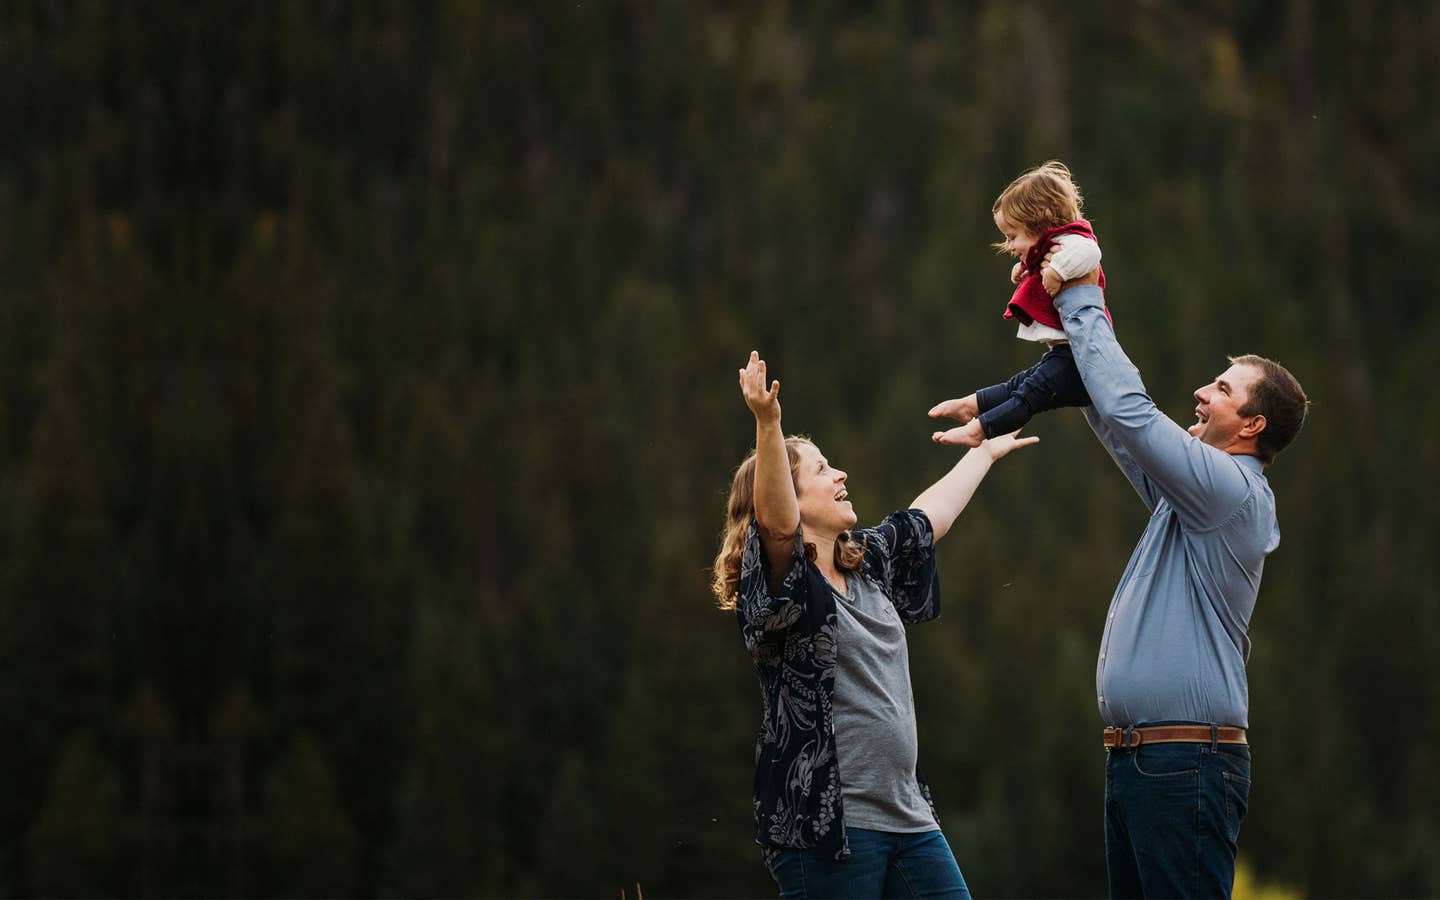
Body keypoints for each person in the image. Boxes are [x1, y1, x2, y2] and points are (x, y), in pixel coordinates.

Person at [933, 262, 1309, 898]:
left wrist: (1081, 293)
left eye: (1222, 388)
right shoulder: (1193, 498)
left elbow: (1131, 413)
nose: (1202, 392)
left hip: (1183, 763)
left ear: (1251, 425)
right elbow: (1111, 415)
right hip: (1148, 762)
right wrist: (1051, 361)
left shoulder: (1231, 492)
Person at [713, 350, 1037, 899]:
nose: (840, 474)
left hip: (909, 818)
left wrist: (984, 453)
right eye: (820, 470)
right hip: (829, 826)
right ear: (788, 493)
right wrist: (770, 425)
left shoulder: (864, 562)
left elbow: (925, 519)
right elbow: (777, 526)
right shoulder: (782, 585)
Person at [931, 161, 1114, 448]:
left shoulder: (1074, 240)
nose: (1011, 246)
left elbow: (1090, 252)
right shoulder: (1051, 248)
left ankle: (980, 429)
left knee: (1029, 394)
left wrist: (1056, 272)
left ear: (1040, 221)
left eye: (1013, 236)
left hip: (1083, 357)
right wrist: (1027, 270)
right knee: (1019, 384)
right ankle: (974, 404)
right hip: (1068, 352)